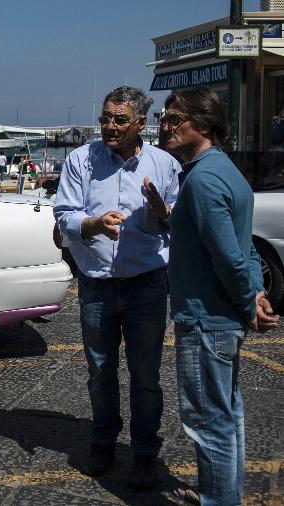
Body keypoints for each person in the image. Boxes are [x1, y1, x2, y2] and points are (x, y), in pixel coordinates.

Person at [53, 86, 182, 490]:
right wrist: (92, 224)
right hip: (98, 285)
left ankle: (145, 453)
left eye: (120, 120)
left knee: (146, 375)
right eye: (107, 117)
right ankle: (103, 442)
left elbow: (179, 223)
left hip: (146, 285)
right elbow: (64, 214)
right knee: (100, 371)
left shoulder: (164, 164)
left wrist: (164, 213)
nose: (109, 126)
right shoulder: (80, 160)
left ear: (140, 123)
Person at [162, 87, 279, 505]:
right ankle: (220, 492)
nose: (166, 126)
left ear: (205, 124)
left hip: (204, 319)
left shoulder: (204, 179)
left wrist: (250, 302)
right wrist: (258, 292)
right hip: (219, 317)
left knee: (208, 421)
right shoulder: (225, 171)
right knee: (227, 417)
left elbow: (228, 254)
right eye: (165, 117)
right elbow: (244, 244)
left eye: (176, 119)